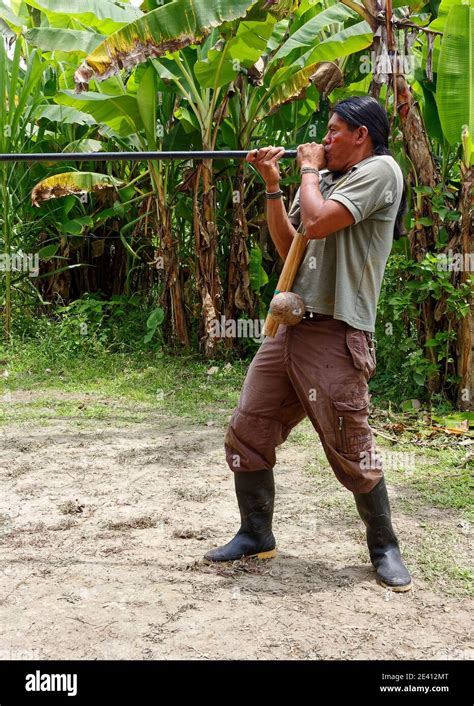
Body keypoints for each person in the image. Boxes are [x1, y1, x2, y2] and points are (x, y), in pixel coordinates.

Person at [204, 96, 412, 592]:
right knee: (248, 429)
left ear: (361, 135)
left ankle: (385, 546)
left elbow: (319, 222)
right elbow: (292, 245)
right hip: (290, 327)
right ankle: (256, 533)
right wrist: (276, 187)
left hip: (338, 330)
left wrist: (309, 172)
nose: (324, 140)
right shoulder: (323, 179)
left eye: (335, 131)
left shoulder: (381, 170)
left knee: (350, 446)